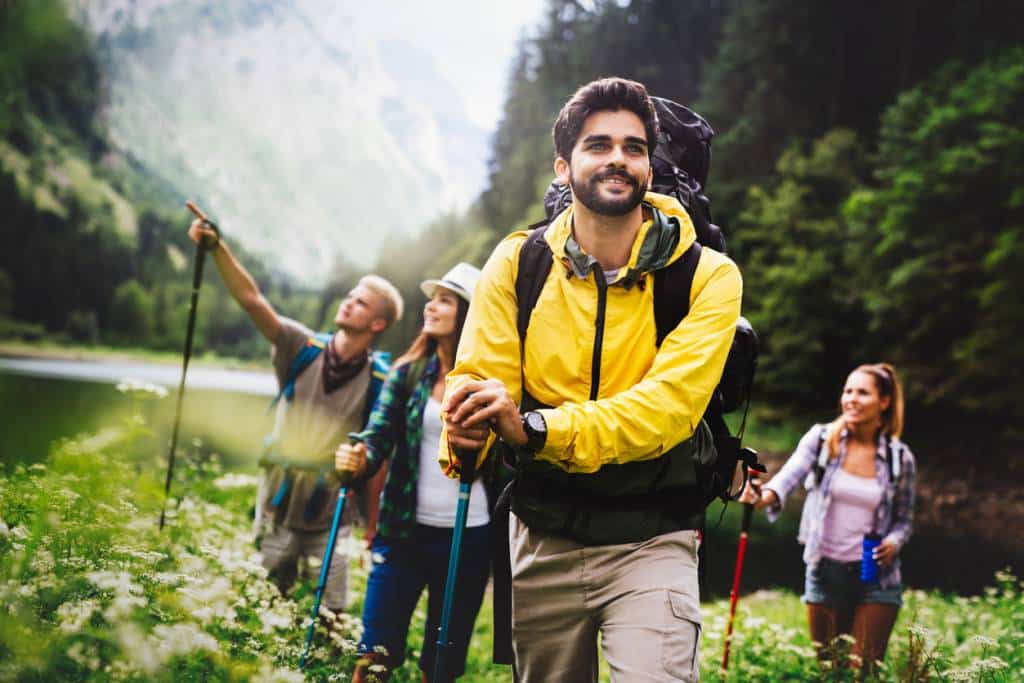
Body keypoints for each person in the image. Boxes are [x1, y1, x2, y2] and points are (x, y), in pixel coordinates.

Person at [440, 77, 742, 682]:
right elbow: (480, 375)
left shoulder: (708, 277)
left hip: (653, 536)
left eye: (634, 148)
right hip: (541, 534)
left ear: (650, 168)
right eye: (597, 144)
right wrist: (467, 433)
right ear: (563, 165)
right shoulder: (517, 261)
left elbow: (664, 413)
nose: (617, 159)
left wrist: (531, 427)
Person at [185, 217, 403, 614]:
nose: (347, 302)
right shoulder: (299, 347)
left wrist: (372, 524)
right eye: (349, 296)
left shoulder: (380, 380)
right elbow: (252, 300)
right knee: (264, 602)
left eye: (360, 302)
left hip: (333, 509)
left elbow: (378, 457)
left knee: (333, 611)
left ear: (377, 323)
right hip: (279, 505)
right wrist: (216, 248)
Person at [335, 263, 494, 683]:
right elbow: (378, 434)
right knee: (374, 653)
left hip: (468, 535)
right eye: (432, 297)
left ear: (469, 313)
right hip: (402, 531)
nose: (431, 306)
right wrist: (359, 457)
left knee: (441, 663)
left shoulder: (494, 380)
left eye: (444, 300)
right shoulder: (407, 374)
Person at [739, 363, 916, 673]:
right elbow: (788, 479)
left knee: (862, 672)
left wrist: (894, 541)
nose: (851, 399)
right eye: (848, 391)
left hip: (875, 576)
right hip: (824, 572)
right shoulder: (822, 441)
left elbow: (904, 520)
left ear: (884, 402)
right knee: (831, 672)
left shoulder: (899, 458)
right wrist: (762, 496)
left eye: (863, 392)